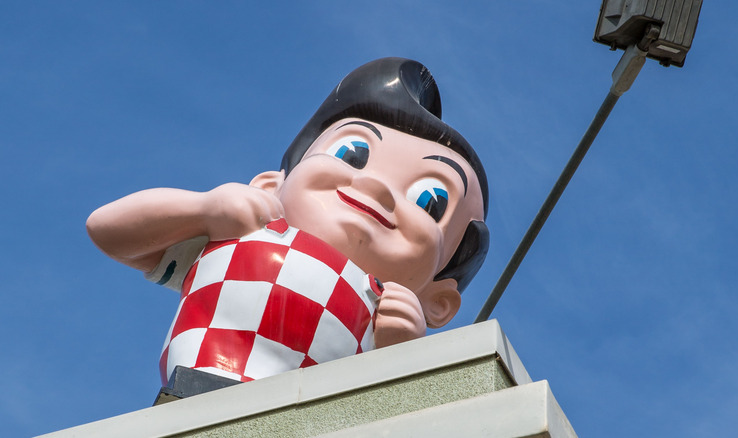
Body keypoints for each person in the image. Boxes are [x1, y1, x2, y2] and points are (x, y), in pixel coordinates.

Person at [87, 57, 489, 387]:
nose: (378, 189)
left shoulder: (385, 311)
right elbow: (107, 229)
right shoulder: (245, 228)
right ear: (270, 186)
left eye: (430, 201)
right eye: (353, 154)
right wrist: (203, 209)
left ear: (438, 301)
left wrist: (399, 351)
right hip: (206, 382)